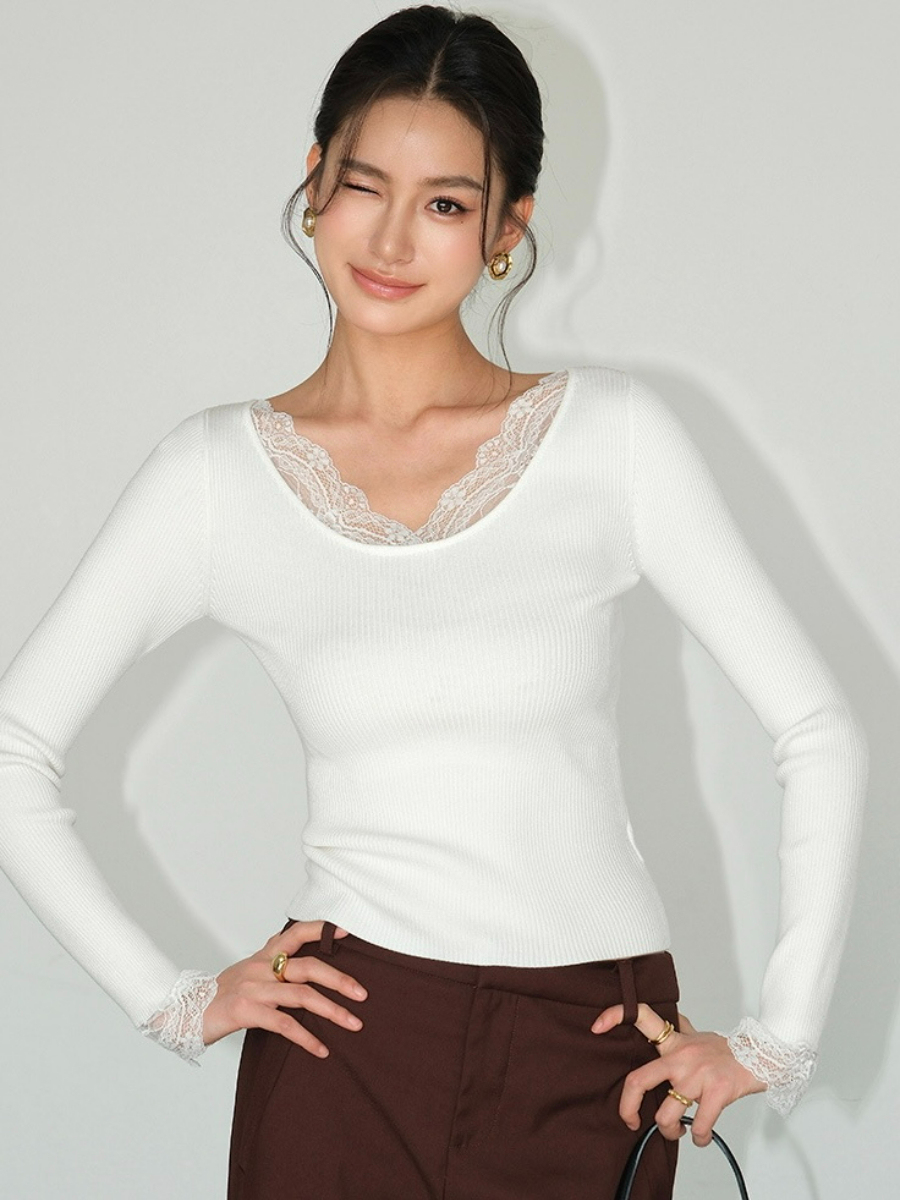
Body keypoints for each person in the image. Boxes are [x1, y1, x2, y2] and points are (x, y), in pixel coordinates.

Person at [0, 5, 868, 1199]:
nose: (394, 238)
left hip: (591, 1052)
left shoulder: (614, 441)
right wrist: (175, 1000)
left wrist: (779, 1036)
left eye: (448, 204)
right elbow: (16, 746)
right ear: (314, 181)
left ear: (509, 229)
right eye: (365, 185)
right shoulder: (213, 477)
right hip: (346, 1052)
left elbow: (820, 731)